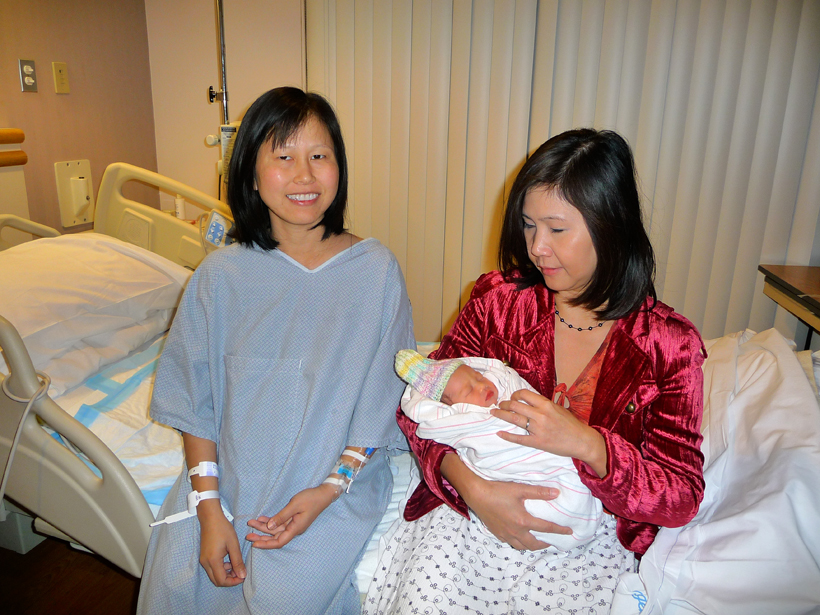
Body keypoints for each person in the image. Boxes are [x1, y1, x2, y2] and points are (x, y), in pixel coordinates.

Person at [364, 129, 706, 615]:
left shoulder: (667, 346)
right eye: (528, 226)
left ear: (611, 225)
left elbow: (679, 495)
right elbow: (420, 407)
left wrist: (588, 444)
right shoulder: (499, 304)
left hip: (583, 532)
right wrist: (473, 489)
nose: (537, 248)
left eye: (557, 229)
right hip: (469, 509)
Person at [137, 86, 415, 615]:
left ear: (340, 167)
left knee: (291, 592)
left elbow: (382, 403)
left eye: (319, 156)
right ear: (250, 170)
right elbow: (197, 403)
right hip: (232, 480)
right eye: (283, 157)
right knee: (185, 584)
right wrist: (209, 509)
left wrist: (331, 489)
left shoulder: (375, 272)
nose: (304, 175)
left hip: (335, 482)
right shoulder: (220, 277)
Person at [394, 349, 603, 551]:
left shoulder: (505, 386)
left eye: (478, 377)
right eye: (468, 391)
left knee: (574, 487)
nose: (482, 386)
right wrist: (474, 488)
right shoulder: (464, 422)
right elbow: (425, 428)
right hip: (514, 482)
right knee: (563, 503)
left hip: (569, 468)